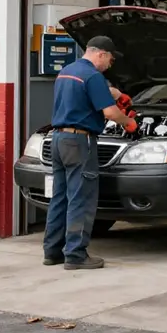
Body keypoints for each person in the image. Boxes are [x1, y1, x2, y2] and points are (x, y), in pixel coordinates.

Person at [42, 35, 136, 270]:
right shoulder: (94, 75)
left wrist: (112, 93)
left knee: (60, 197)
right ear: (101, 54)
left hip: (57, 139)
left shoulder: (67, 71)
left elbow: (83, 96)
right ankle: (76, 255)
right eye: (110, 61)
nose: (109, 66)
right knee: (81, 198)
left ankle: (52, 252)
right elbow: (111, 114)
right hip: (79, 142)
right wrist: (128, 122)